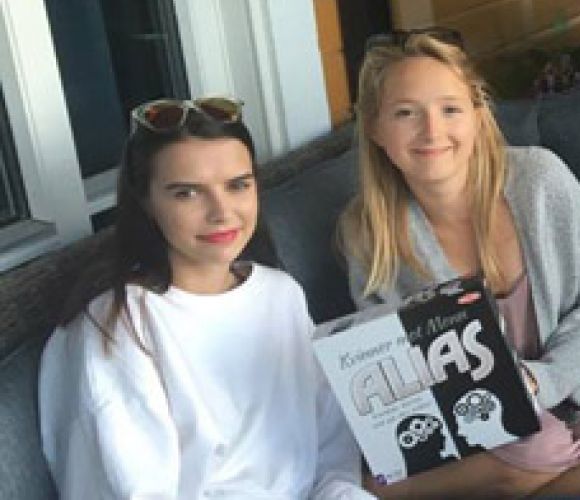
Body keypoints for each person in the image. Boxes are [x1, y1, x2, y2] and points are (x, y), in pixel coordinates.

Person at [336, 30, 580, 499]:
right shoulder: (368, 231)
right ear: (375, 128)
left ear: (478, 115)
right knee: (538, 446)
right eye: (406, 113)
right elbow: (390, 373)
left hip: (568, 398)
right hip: (464, 430)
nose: (431, 131)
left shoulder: (541, 180)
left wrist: (537, 382)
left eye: (450, 109)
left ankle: (401, 491)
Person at [38, 97, 371, 499]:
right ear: (146, 202)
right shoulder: (118, 323)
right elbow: (136, 490)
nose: (221, 212)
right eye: (187, 193)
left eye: (238, 185)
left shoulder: (280, 294)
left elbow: (331, 451)